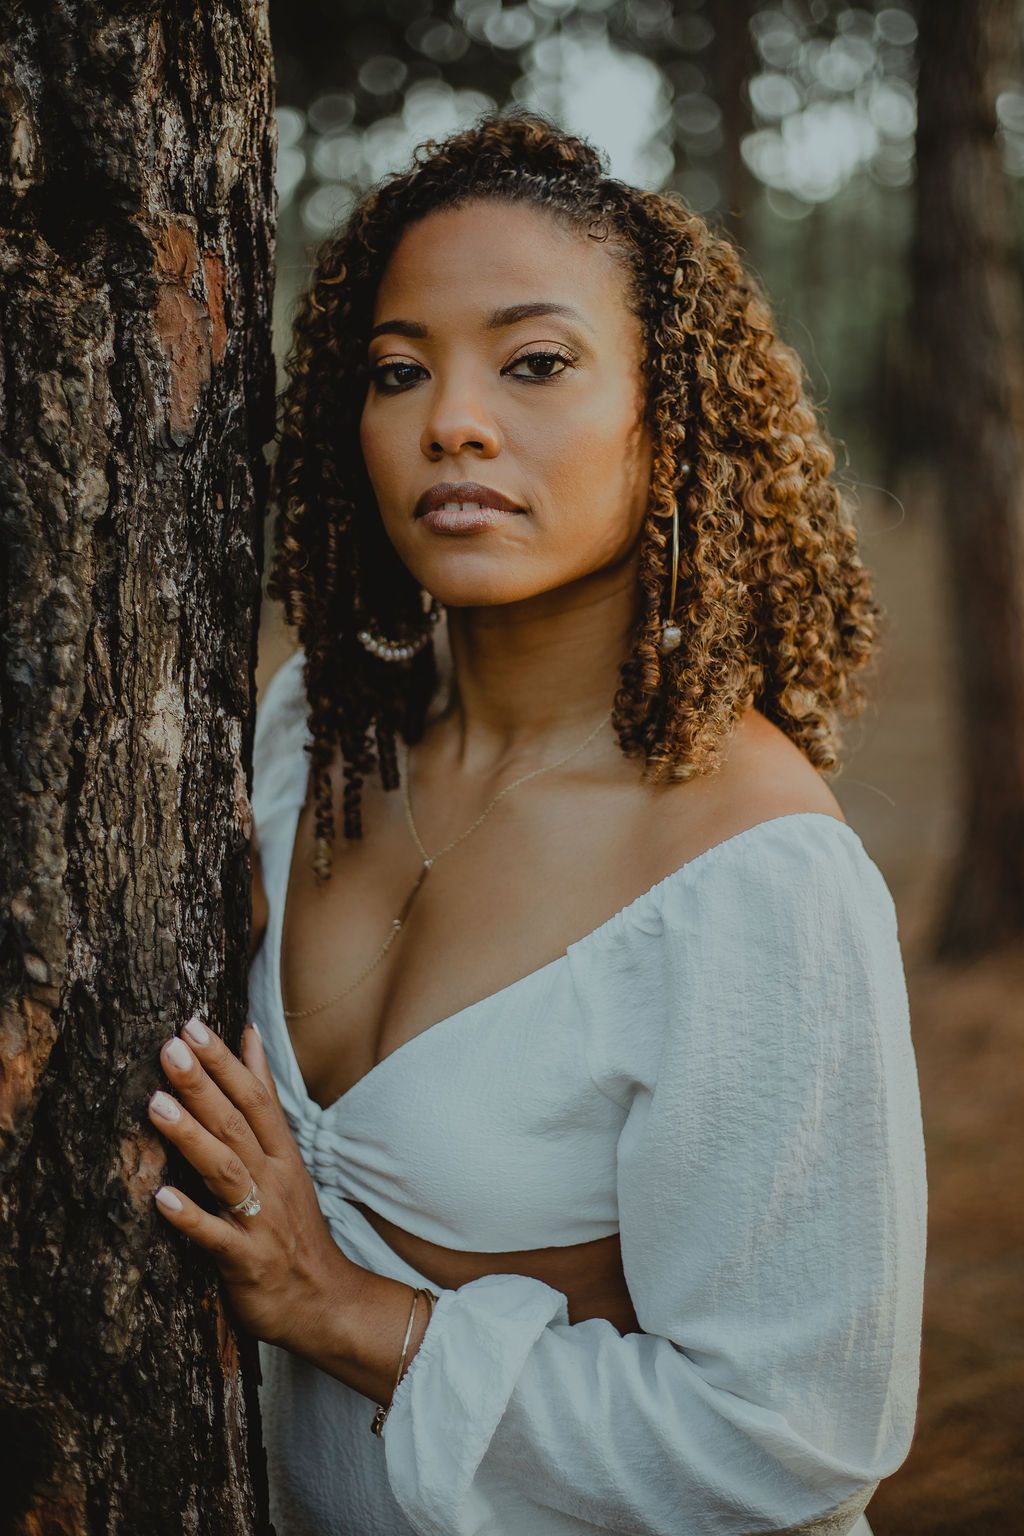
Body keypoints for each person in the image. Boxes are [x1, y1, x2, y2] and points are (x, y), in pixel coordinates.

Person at [160, 111, 927, 1535]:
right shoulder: (305, 742)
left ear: (671, 413)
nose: (454, 416)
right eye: (401, 371)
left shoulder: (752, 878)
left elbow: (795, 1444)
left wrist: (344, 1311)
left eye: (535, 362)